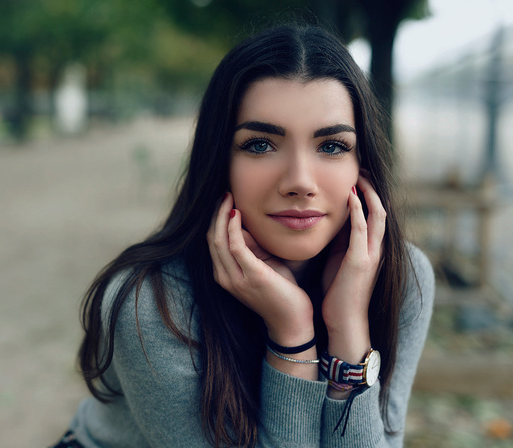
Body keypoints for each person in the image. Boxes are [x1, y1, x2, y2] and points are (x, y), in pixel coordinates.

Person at [50, 24, 435, 448]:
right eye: (259, 145)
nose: (300, 181)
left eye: (331, 146)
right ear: (220, 161)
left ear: (362, 164)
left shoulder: (403, 276)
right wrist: (292, 334)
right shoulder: (152, 304)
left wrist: (348, 330)